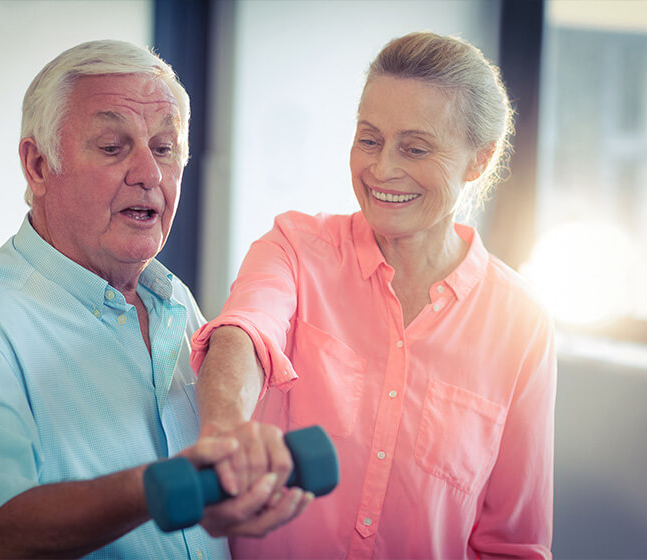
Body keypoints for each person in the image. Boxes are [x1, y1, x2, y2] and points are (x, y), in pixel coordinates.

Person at [0, 40, 310, 560]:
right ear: (37, 165)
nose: (149, 174)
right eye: (113, 147)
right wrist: (162, 488)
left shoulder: (175, 302)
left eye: (164, 149)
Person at [191, 31, 557, 559]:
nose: (382, 169)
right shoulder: (294, 246)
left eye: (415, 148)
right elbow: (244, 333)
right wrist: (227, 432)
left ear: (479, 160)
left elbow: (513, 544)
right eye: (369, 139)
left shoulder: (523, 322)